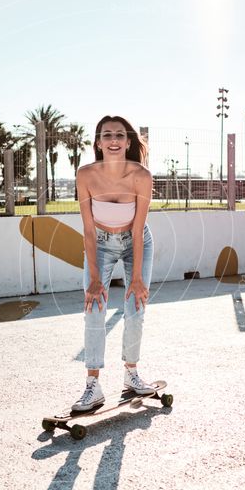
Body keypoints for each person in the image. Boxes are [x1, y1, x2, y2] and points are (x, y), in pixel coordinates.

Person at [71, 115, 156, 411]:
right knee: (94, 307)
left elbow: (137, 229)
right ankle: (92, 385)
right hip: (102, 244)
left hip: (136, 241)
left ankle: (131, 374)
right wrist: (94, 278)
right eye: (107, 135)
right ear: (98, 143)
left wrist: (136, 278)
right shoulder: (85, 175)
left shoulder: (141, 175)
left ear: (129, 141)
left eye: (119, 135)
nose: (114, 140)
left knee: (135, 306)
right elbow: (88, 230)